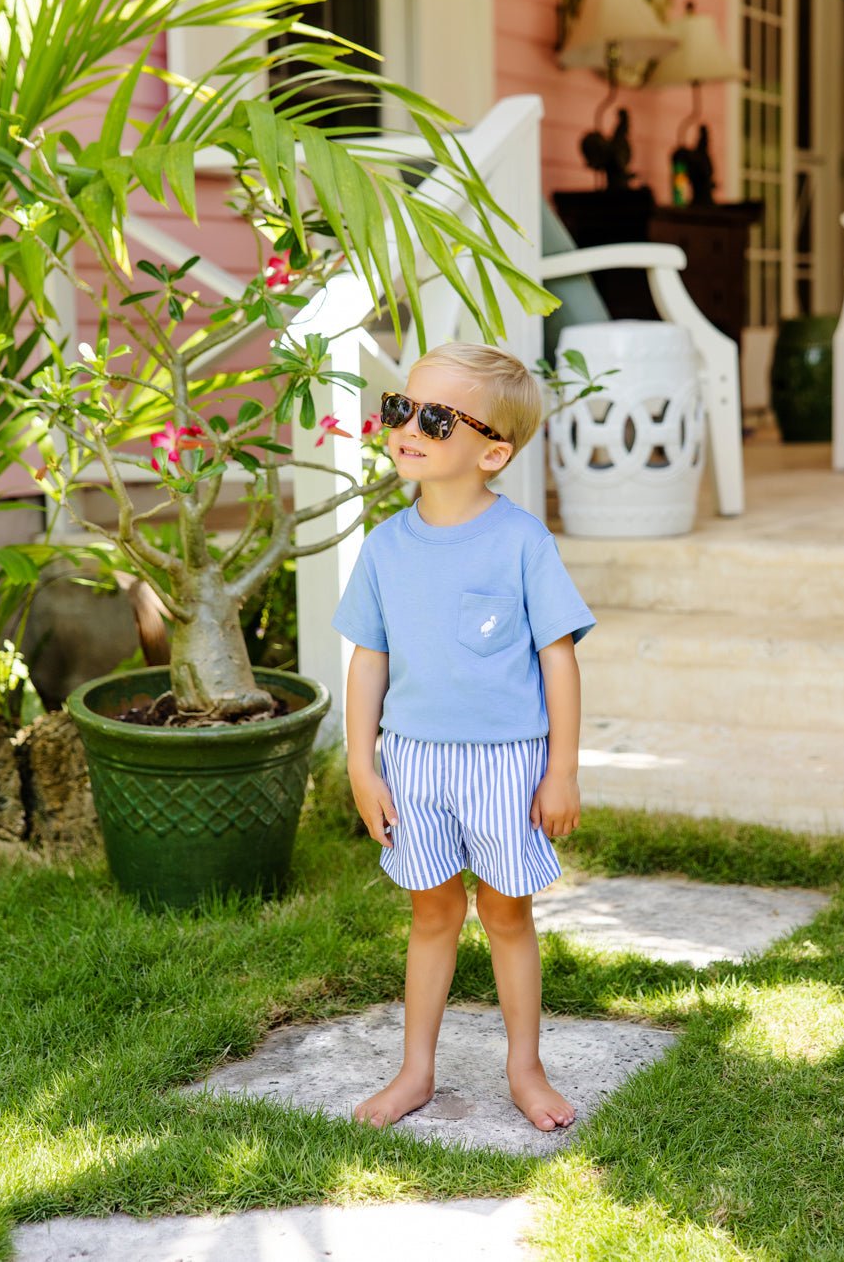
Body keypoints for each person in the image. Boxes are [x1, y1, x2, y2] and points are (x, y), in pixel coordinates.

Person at [332, 342, 595, 1132]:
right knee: (432, 915)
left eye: (435, 418)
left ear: (492, 451)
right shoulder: (383, 548)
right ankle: (416, 1071)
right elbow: (367, 663)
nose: (408, 427)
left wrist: (563, 771)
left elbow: (559, 661)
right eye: (400, 409)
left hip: (507, 763)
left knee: (507, 916)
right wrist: (361, 763)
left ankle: (525, 1069)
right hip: (413, 762)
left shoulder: (521, 542)